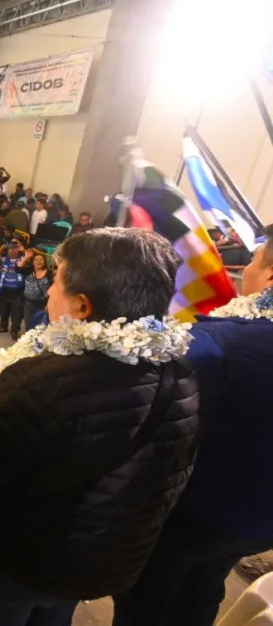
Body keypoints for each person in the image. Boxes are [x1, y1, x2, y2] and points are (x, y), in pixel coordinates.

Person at [0, 227, 200, 626]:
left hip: (21, 561)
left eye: (55, 282)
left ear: (82, 306)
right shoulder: (180, 376)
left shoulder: (40, 379)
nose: (48, 292)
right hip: (99, 563)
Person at [112, 225, 273, 626]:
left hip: (190, 513)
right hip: (258, 520)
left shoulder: (218, 344)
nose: (245, 271)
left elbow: (145, 414)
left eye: (253, 261)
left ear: (270, 278)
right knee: (203, 592)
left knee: (146, 602)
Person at [0, 240, 25, 338]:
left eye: (14, 249)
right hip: (5, 288)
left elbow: (29, 259)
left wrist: (23, 250)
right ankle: (3, 326)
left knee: (16, 312)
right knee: (4, 309)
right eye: (10, 249)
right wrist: (1, 249)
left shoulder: (23, 259)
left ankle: (14, 330)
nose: (11, 251)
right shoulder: (5, 258)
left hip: (18, 290)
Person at [20, 249, 52, 331]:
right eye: (36, 259)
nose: (39, 261)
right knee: (28, 328)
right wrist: (25, 257)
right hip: (28, 305)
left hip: (42, 306)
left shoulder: (49, 274)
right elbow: (18, 268)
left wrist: (48, 304)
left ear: (45, 262)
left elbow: (52, 291)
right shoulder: (29, 271)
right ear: (32, 262)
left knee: (40, 329)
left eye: (41, 259)